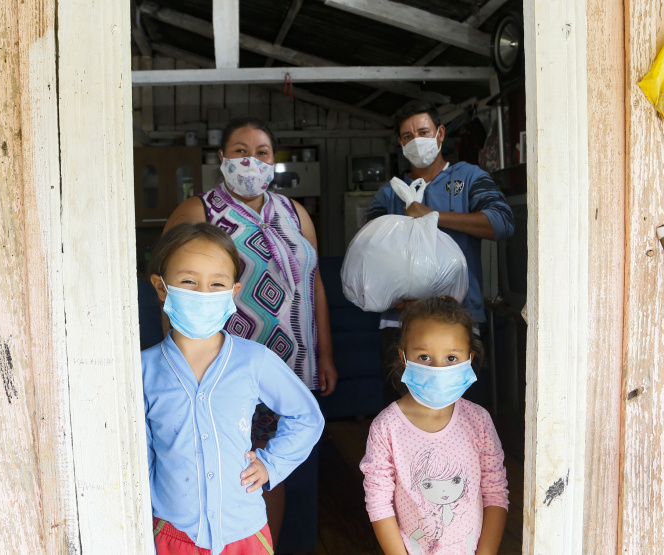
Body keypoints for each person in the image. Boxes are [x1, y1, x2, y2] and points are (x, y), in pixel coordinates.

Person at [165, 116, 336, 548]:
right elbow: (169, 286)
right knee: (244, 468)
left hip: (293, 362)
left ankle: (274, 544)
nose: (251, 160)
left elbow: (313, 283)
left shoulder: (295, 213)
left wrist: (326, 354)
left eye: (261, 153)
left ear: (273, 161)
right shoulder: (198, 210)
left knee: (279, 461)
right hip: (226, 366)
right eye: (240, 150)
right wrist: (178, 355)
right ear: (221, 158)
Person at [142, 222, 324, 555]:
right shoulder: (143, 370)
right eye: (188, 282)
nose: (203, 293)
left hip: (243, 533)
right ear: (162, 287)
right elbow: (139, 453)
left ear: (234, 291)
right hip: (171, 535)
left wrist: (272, 464)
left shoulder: (254, 360)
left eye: (217, 284)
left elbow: (307, 417)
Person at [365, 100, 514, 406]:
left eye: (423, 131)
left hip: (458, 319)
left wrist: (431, 215)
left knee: (462, 414)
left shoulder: (469, 178)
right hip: (399, 323)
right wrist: (395, 299)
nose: (416, 140)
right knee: (403, 415)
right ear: (400, 143)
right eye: (408, 136)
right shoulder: (389, 193)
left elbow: (502, 223)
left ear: (440, 133)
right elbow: (368, 256)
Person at [359, 296, 508, 555]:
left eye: (451, 357)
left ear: (469, 359)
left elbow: (495, 491)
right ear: (403, 357)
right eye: (424, 356)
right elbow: (378, 502)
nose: (438, 367)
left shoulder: (478, 421)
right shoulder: (386, 428)